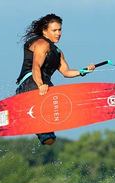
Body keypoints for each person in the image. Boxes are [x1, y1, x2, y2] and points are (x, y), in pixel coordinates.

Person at [15, 14, 96, 145]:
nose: (58, 33)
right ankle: (25, 112)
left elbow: (66, 72)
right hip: (32, 84)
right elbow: (36, 67)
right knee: (47, 134)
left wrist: (84, 71)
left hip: (45, 87)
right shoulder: (42, 44)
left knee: (49, 140)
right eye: (54, 30)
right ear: (44, 31)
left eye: (60, 30)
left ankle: (27, 117)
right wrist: (40, 85)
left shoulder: (58, 52)